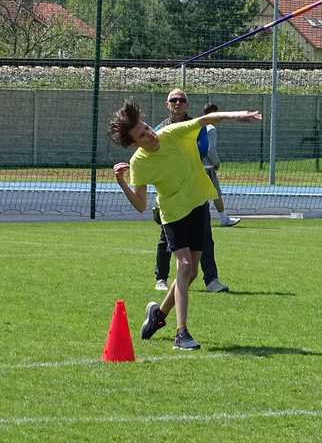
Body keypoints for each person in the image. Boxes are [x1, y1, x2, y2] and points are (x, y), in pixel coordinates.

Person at [108, 98, 260, 350]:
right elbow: (139, 204)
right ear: (135, 144)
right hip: (174, 214)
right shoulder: (139, 163)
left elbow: (204, 120)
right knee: (185, 265)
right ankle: (182, 334)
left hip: (199, 204)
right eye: (142, 136)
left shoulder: (171, 132)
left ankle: (158, 316)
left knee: (191, 275)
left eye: (147, 128)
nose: (150, 134)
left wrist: (238, 115)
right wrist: (122, 182)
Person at [152, 89, 229, 294]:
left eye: (181, 100)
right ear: (167, 104)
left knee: (205, 235)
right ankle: (161, 278)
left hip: (195, 188)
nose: (178, 103)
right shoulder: (159, 130)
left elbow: (202, 150)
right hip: (171, 191)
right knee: (166, 237)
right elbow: (155, 155)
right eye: (173, 100)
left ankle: (211, 280)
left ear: (187, 104)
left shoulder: (197, 127)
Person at [202, 103, 241, 227]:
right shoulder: (211, 128)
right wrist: (216, 163)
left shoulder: (197, 126)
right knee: (216, 193)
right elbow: (210, 149)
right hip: (207, 167)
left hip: (195, 166)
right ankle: (224, 218)